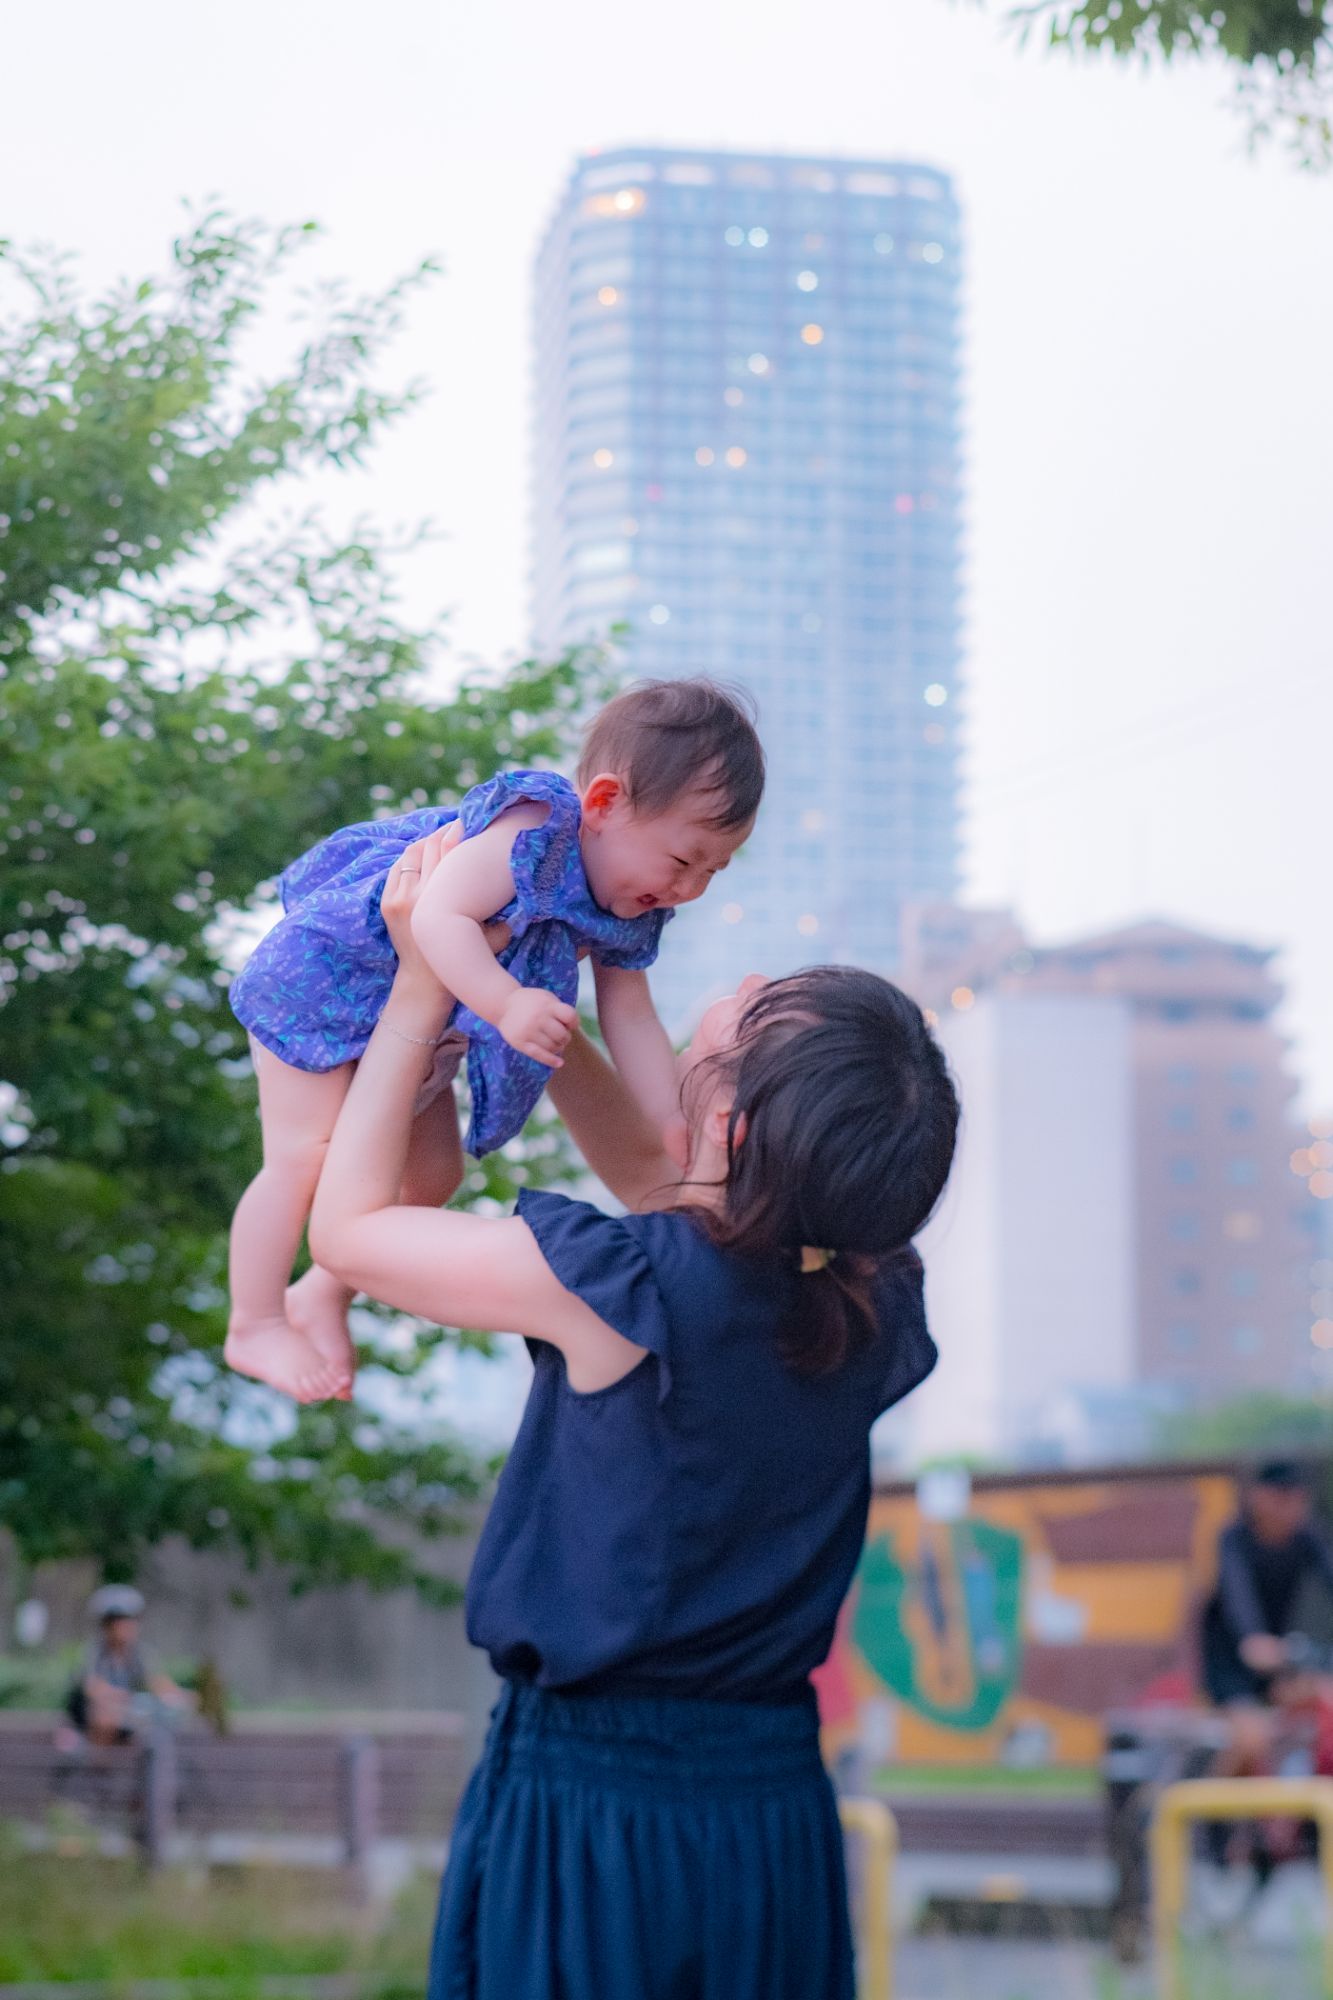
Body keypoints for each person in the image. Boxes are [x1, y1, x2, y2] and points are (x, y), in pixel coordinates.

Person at [307, 830, 960, 2000]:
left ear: (734, 1125)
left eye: (755, 1016)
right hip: (767, 1806)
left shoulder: (623, 1289)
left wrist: (423, 985)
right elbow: (693, 1201)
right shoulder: (867, 1300)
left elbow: (346, 1234)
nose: (744, 985)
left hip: (594, 1804)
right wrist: (537, 1009)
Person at [225, 677, 764, 1404]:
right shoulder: (531, 832)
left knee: (430, 1182)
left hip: (415, 1029)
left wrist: (669, 1116)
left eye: (713, 871)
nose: (690, 888)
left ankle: (325, 1288)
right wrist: (508, 1003)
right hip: (322, 988)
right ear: (603, 804)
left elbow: (629, 1016)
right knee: (304, 1160)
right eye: (682, 859)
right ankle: (253, 1322)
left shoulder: (629, 908)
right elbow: (436, 918)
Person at [1201, 1460, 1333, 1777]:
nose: (1290, 1509)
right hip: (1231, 1665)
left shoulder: (1306, 1539)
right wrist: (1252, 1637)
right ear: (1257, 1498)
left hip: (1278, 1663)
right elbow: (1237, 1592)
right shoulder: (1235, 1539)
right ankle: (1208, 1818)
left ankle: (1293, 1822)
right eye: (1281, 1498)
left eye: (1297, 1499)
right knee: (1252, 1740)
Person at [60, 1587, 194, 1750]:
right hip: (90, 1714)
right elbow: (92, 1687)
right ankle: (97, 1765)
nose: (129, 1628)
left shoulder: (139, 1653)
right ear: (108, 1625)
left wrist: (181, 1696)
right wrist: (122, 1699)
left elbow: (157, 1681)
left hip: (124, 1712)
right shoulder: (95, 1653)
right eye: (122, 1622)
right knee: (106, 1717)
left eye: (131, 1621)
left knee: (153, 1727)